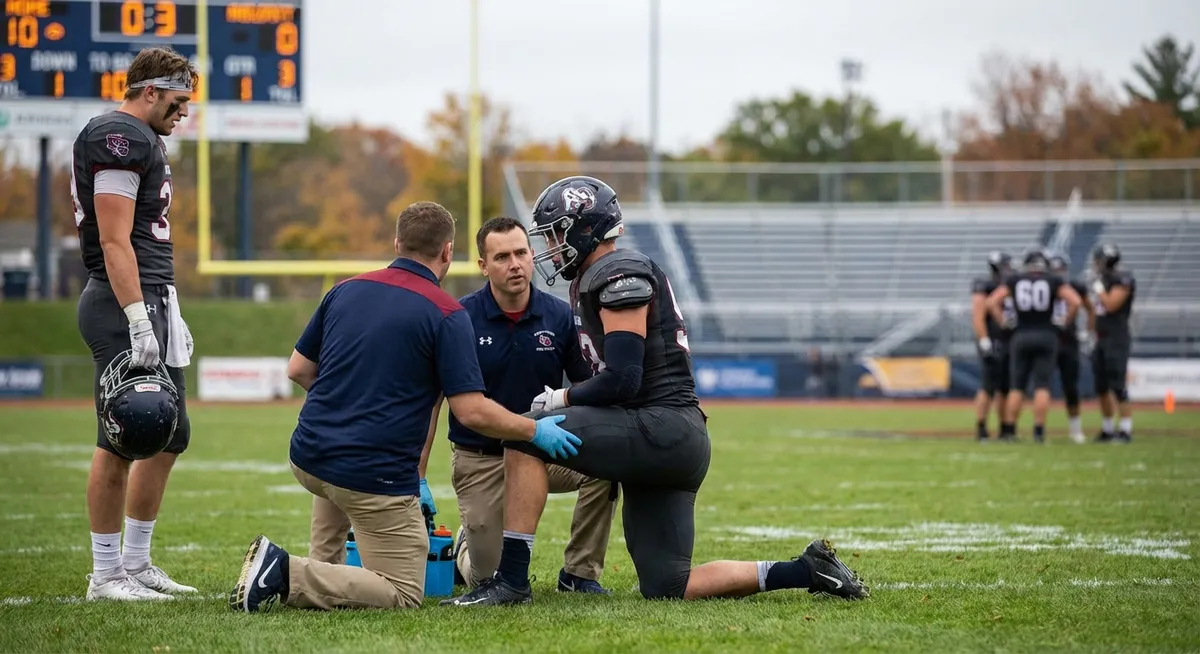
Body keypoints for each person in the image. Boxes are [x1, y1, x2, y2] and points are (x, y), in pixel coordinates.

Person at [441, 176, 869, 607]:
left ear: (583, 228)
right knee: (668, 585)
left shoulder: (617, 272)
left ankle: (513, 581)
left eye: (555, 233)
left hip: (658, 426)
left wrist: (562, 399)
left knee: (527, 437)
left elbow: (625, 379)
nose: (549, 246)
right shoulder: (594, 277)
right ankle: (806, 569)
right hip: (668, 439)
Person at [228, 202, 583, 614]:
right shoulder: (447, 312)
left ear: (397, 243)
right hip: (367, 471)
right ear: (448, 252)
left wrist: (346, 405)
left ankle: (318, 570)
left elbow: (299, 369)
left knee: (335, 489)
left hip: (308, 456)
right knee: (402, 590)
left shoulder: (346, 289)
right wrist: (535, 430)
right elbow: (469, 411)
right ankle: (283, 572)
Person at [72, 46, 199, 601]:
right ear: (149, 91)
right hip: (125, 299)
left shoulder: (146, 140)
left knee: (170, 434)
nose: (184, 111)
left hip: (154, 296)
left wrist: (159, 311)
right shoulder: (118, 137)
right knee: (126, 432)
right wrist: (137, 321)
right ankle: (105, 574)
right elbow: (114, 238)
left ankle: (137, 562)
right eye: (178, 100)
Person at [431, 216, 617, 594]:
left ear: (533, 255)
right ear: (483, 266)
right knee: (487, 578)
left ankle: (579, 573)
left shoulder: (560, 314)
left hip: (542, 449)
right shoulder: (458, 319)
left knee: (607, 467)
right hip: (480, 457)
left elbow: (584, 382)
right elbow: (431, 401)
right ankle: (466, 548)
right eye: (502, 257)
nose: (515, 264)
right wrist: (416, 476)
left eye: (521, 253)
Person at [986, 248, 1082, 443]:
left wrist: (1004, 322)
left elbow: (992, 302)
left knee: (1016, 387)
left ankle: (1010, 431)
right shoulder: (1053, 280)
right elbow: (1075, 301)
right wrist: (1064, 321)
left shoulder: (1015, 280)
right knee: (1042, 386)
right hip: (1047, 334)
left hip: (1020, 334)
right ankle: (1038, 431)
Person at [1087, 243, 1137, 443]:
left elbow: (1110, 305)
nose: (1095, 265)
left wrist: (1099, 289)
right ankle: (1107, 429)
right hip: (1101, 337)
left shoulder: (1122, 279)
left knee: (1117, 384)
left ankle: (1125, 429)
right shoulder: (1104, 279)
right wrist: (1089, 333)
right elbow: (1095, 311)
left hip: (1116, 337)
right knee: (1101, 386)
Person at [1047, 252, 1094, 444]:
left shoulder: (1074, 287)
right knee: (1041, 386)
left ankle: (1075, 429)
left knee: (1071, 387)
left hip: (1068, 342)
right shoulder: (1044, 285)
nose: (1058, 274)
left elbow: (1090, 309)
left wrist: (1087, 333)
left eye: (1060, 270)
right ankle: (1039, 429)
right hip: (1047, 341)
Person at [970, 251, 1014, 442]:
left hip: (1009, 341)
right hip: (993, 340)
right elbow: (978, 316)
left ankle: (1005, 428)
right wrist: (984, 341)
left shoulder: (1010, 285)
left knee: (1005, 388)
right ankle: (981, 427)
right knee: (988, 387)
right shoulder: (984, 286)